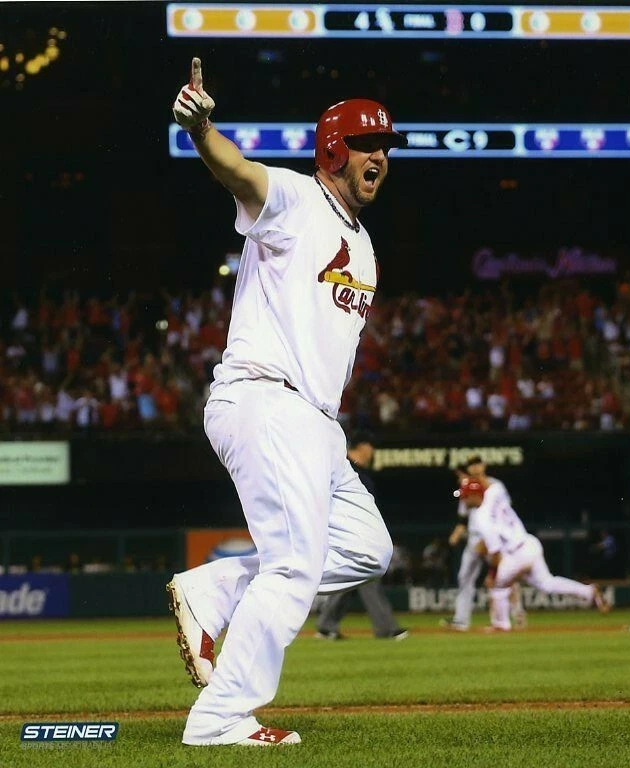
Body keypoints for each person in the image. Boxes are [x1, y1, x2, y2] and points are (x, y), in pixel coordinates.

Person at [164, 59, 405, 746]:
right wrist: (201, 129)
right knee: (297, 567)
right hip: (266, 398)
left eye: (386, 147)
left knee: (366, 547)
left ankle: (214, 591)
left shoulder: (363, 244)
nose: (380, 157)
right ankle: (221, 718)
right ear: (334, 148)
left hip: (315, 423)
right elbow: (238, 172)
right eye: (367, 144)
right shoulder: (298, 200)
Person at [458, 477, 609, 632]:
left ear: (474, 495)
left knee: (497, 585)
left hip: (515, 554)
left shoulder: (482, 519)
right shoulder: (495, 491)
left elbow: (495, 553)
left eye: (465, 496)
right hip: (530, 544)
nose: (463, 500)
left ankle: (501, 624)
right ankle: (589, 591)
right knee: (547, 583)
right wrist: (473, 479)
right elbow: (491, 487)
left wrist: (492, 574)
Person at [315, 433, 409, 641]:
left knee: (352, 576)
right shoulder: (342, 466)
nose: (373, 451)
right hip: (343, 531)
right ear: (364, 446)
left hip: (355, 532)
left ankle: (326, 624)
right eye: (371, 446)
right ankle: (386, 628)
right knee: (367, 573)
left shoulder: (358, 471)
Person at [441, 455, 526, 631]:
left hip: (492, 536)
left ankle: (517, 613)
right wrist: (458, 532)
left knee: (504, 575)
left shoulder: (496, 484)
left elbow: (504, 508)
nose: (475, 467)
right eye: (471, 465)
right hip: (473, 538)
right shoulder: (466, 486)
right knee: (464, 577)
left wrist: (477, 483)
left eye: (477, 464)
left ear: (484, 465)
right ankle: (461, 620)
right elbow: (463, 515)